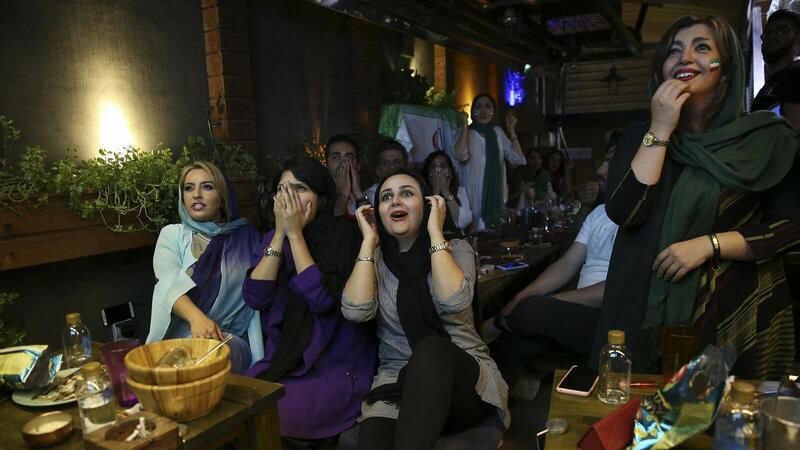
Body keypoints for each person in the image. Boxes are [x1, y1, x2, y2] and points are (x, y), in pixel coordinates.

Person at [594, 16, 800, 380]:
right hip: (645, 310)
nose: (685, 57)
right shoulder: (641, 136)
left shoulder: (766, 139)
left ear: (726, 70)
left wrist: (708, 245)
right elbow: (627, 212)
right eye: (674, 51)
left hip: (736, 311)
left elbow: (790, 228)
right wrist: (661, 128)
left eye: (702, 47)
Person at [341, 169, 509, 449]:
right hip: (397, 382)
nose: (395, 201)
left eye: (407, 194)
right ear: (377, 212)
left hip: (463, 384)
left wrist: (434, 232)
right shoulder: (374, 261)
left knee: (431, 348)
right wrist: (368, 242)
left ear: (429, 206)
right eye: (386, 197)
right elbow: (355, 311)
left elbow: (454, 301)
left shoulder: (456, 249)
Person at [243, 156, 377, 444]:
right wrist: (280, 235)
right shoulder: (272, 237)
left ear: (320, 198)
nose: (289, 198)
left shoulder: (343, 234)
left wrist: (295, 235)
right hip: (283, 361)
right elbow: (256, 297)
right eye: (282, 190)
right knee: (239, 405)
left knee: (275, 413)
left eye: (300, 188)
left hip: (334, 363)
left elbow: (321, 299)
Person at [488, 146, 619, 394]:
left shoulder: (638, 218)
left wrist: (553, 301)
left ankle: (498, 328)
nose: (601, 170)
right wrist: (520, 297)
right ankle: (495, 402)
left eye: (610, 162)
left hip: (608, 321)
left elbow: (617, 289)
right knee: (514, 338)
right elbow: (567, 264)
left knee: (531, 310)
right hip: (577, 313)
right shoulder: (600, 213)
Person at [147, 161, 263, 374]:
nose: (196, 195)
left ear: (223, 197)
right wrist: (197, 319)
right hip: (177, 339)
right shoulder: (173, 235)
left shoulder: (246, 239)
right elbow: (168, 282)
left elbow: (259, 293)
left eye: (207, 187)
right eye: (188, 188)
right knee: (166, 364)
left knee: (204, 357)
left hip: (226, 339)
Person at [453, 93, 526, 230]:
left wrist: (511, 130)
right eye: (478, 107)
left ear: (493, 111)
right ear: (472, 111)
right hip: (471, 197)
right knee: (473, 233)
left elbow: (517, 159)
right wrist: (464, 127)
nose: (483, 111)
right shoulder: (466, 133)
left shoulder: (497, 133)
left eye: (487, 106)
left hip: (496, 199)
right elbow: (460, 155)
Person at [751, 9, 800, 126]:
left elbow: (793, 132)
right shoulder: (767, 88)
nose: (772, 35)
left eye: (782, 31)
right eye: (768, 33)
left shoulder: (796, 72)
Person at [422, 151, 472, 235]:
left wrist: (446, 192)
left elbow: (464, 222)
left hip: (455, 239)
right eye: (433, 167)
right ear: (427, 172)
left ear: (450, 171)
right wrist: (435, 193)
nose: (438, 171)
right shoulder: (421, 192)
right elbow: (423, 223)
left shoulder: (460, 191)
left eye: (443, 166)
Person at [325, 134, 367, 216]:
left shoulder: (366, 194)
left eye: (349, 157)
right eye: (336, 157)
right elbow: (336, 223)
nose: (343, 162)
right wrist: (343, 195)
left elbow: (371, 223)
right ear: (326, 163)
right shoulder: (319, 196)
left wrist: (358, 193)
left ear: (357, 166)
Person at [365, 139, 409, 205]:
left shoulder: (415, 191)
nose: (391, 167)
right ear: (378, 169)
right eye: (385, 163)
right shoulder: (368, 196)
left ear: (406, 166)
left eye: (397, 162)